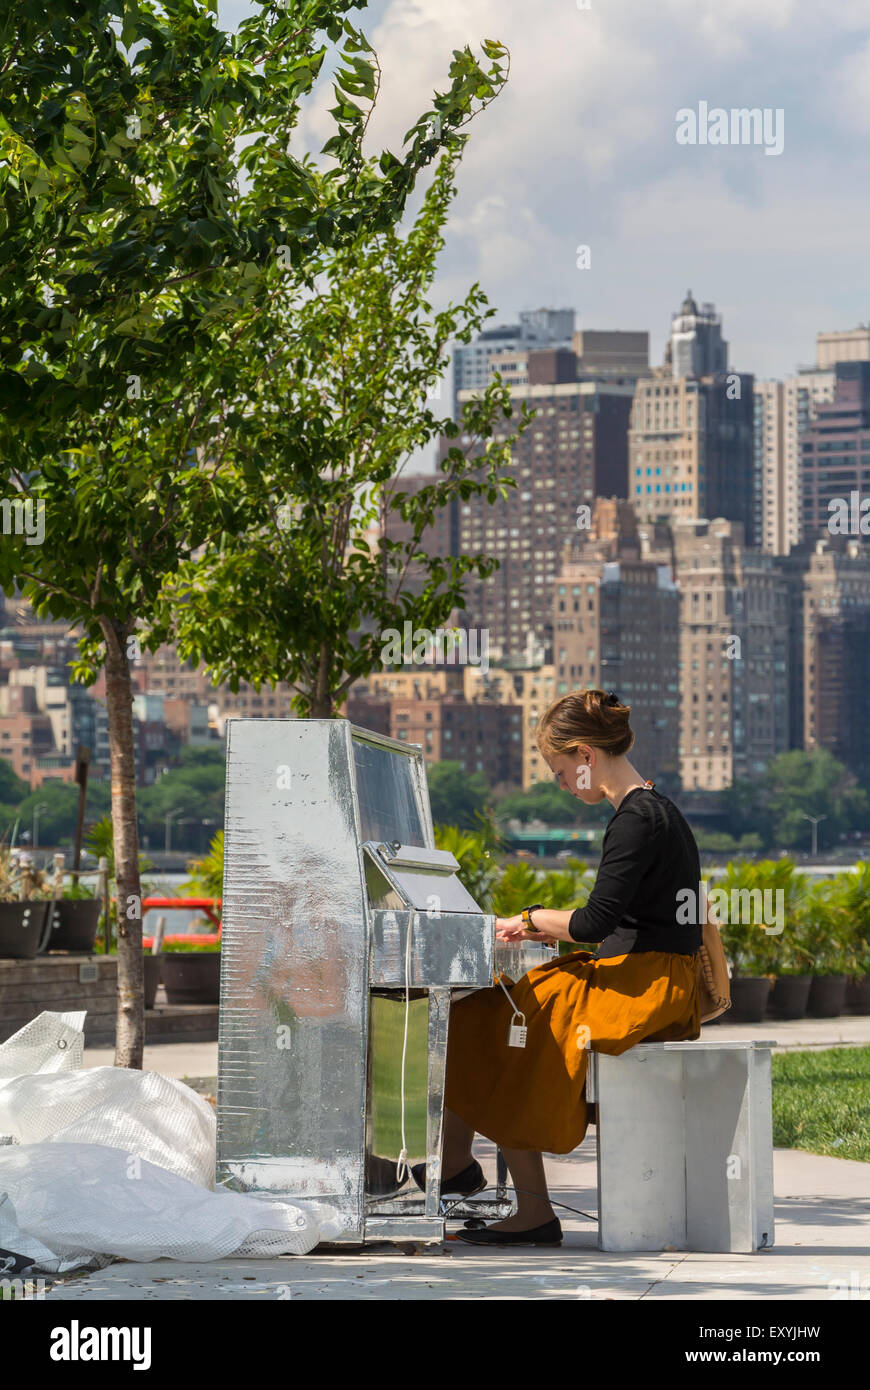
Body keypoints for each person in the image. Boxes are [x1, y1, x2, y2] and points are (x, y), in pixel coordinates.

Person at [431, 688, 703, 1247]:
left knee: (497, 1019)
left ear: (585, 754)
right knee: (490, 1011)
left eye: (559, 771)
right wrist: (533, 926)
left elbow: (593, 923)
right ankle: (466, 1171)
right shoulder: (653, 808)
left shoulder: (636, 818)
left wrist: (527, 918)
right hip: (644, 974)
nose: (561, 784)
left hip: (646, 984)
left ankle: (500, 1192)